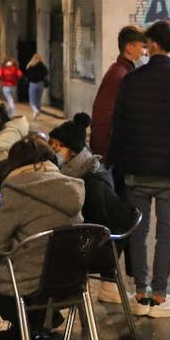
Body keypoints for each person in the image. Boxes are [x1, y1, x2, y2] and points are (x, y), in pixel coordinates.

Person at [111, 20, 170, 319]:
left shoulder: (132, 81)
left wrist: (116, 163)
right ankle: (160, 295)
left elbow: (119, 127)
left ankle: (140, 292)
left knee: (138, 231)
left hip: (136, 169)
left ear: (152, 44)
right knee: (167, 232)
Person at [0, 137, 85, 340]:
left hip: (25, 285)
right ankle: (37, 321)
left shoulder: (19, 189)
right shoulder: (73, 189)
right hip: (68, 282)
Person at [49, 114, 138, 304]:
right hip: (98, 237)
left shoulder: (92, 178)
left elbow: (100, 223)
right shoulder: (76, 169)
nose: (54, 149)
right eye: (53, 144)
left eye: (59, 146)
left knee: (47, 257)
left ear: (72, 150)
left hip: (102, 243)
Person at [91, 26, 148, 160]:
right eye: (143, 47)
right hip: (111, 154)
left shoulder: (125, 72)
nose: (146, 53)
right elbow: (104, 117)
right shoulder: (119, 75)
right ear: (129, 47)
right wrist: (105, 156)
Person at [25, 54, 49, 118]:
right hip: (40, 83)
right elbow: (46, 72)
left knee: (32, 100)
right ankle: (37, 116)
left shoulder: (30, 65)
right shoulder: (41, 65)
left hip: (32, 84)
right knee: (38, 100)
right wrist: (41, 76)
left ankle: (35, 110)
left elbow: (26, 74)